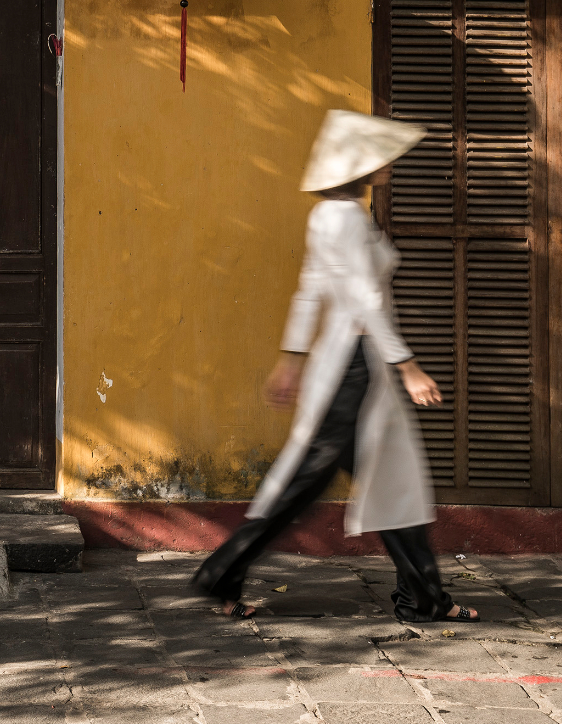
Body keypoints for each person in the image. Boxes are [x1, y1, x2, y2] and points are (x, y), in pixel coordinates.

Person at [191, 110, 479, 624]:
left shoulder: (334, 215)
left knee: (381, 479)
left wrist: (292, 359)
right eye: (381, 155)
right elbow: (364, 299)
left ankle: (421, 596)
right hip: (357, 367)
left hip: (350, 362)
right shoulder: (344, 219)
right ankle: (221, 575)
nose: (389, 162)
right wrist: (407, 365)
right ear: (359, 164)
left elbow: (311, 290)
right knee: (328, 482)